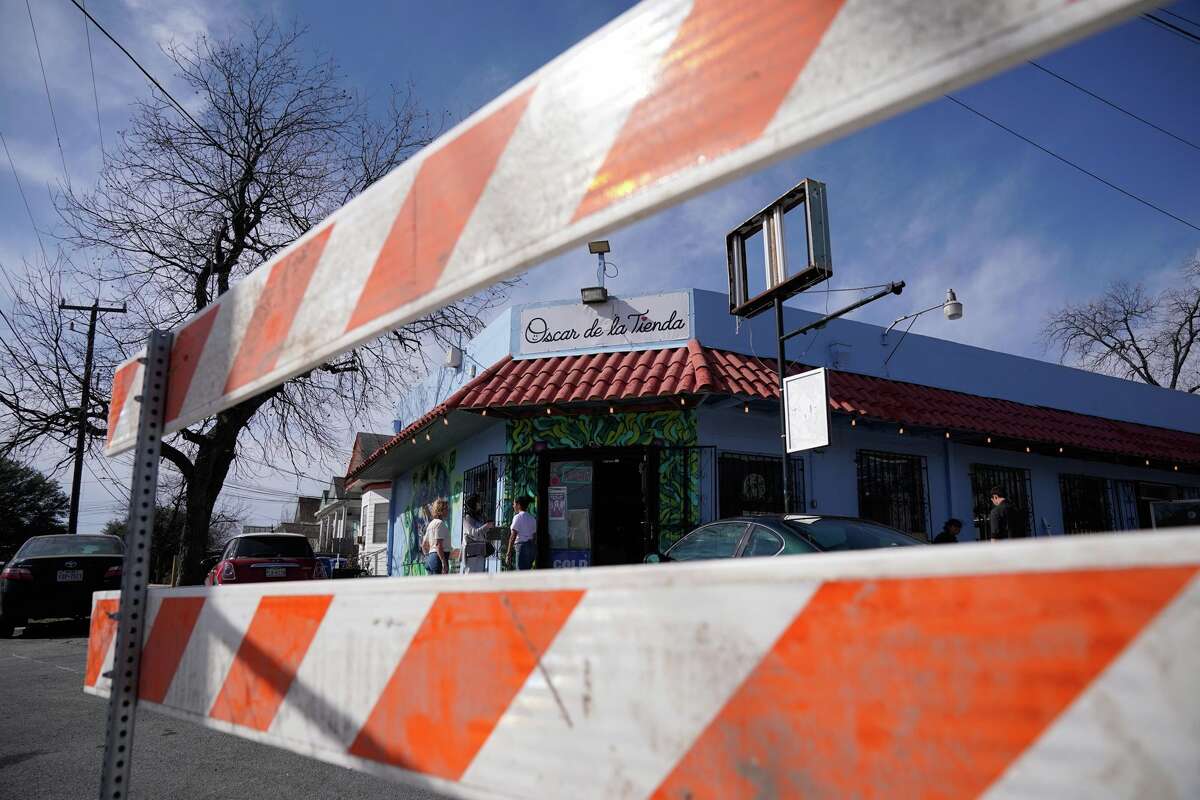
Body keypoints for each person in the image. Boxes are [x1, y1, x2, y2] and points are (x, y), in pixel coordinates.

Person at [461, 494, 494, 574]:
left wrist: (489, 527)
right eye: (478, 502)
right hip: (471, 553)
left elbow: (482, 534)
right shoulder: (467, 518)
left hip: (481, 551)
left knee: (479, 579)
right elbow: (473, 533)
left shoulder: (480, 517)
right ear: (473, 504)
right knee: (470, 579)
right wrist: (486, 526)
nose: (480, 504)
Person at [506, 495, 536, 571]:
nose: (513, 506)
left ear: (518, 505)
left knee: (520, 572)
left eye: (514, 504)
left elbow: (513, 536)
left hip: (521, 547)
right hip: (531, 547)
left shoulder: (517, 517)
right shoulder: (532, 518)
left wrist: (508, 553)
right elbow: (534, 535)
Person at [422, 498, 450, 574]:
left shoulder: (431, 524)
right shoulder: (440, 523)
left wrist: (428, 557)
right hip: (438, 559)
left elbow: (424, 545)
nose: (448, 510)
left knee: (432, 585)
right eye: (446, 508)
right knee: (440, 585)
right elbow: (438, 545)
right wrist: (444, 562)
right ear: (440, 510)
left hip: (431, 558)